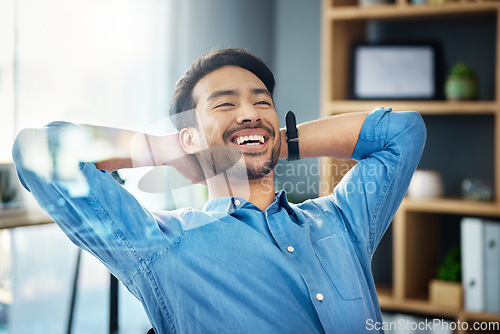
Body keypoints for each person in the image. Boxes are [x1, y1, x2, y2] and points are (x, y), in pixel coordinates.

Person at [12, 48, 426, 333]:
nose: (250, 112)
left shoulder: (340, 222)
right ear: (190, 135)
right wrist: (172, 149)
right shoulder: (162, 246)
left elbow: (402, 132)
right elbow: (38, 151)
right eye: (225, 105)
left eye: (262, 103)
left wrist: (280, 141)